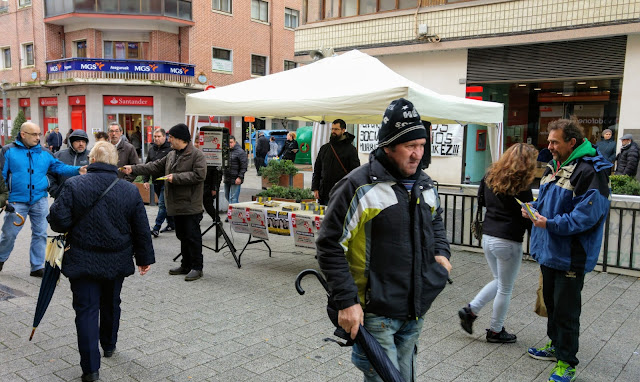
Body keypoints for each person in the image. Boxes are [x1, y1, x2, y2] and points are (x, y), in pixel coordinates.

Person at [317, 98, 451, 382]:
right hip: (375, 314)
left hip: (415, 308)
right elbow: (329, 245)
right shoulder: (358, 185)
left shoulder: (424, 183)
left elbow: (436, 221)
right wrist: (346, 302)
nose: (418, 154)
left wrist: (442, 256)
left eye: (422, 146)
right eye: (409, 147)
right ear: (388, 147)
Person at [48, 141, 155, 382]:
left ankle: (90, 370)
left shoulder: (74, 185)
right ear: (116, 163)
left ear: (91, 160)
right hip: (116, 259)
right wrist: (144, 258)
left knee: (86, 311)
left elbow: (58, 221)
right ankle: (109, 344)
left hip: (82, 258)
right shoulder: (128, 190)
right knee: (111, 302)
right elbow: (141, 228)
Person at [525, 117, 611, 382]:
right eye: (548, 141)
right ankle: (555, 346)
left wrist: (547, 223)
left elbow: (586, 217)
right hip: (550, 251)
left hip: (570, 255)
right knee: (552, 304)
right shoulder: (555, 165)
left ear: (571, 142)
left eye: (554, 142)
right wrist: (535, 210)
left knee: (566, 311)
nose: (549, 146)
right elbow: (550, 202)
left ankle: (567, 362)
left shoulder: (590, 170)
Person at [458, 143, 537, 343]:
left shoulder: (490, 176)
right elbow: (527, 214)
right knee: (505, 287)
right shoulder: (523, 185)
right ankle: (495, 330)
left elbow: (481, 201)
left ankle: (471, 310)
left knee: (499, 280)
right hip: (508, 240)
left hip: (488, 236)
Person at [122, 123, 207, 281]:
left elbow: (199, 175)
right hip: (176, 204)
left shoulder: (197, 155)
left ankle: (197, 267)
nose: (170, 140)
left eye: (172, 137)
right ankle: (186, 264)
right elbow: (154, 166)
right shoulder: (172, 154)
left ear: (180, 138)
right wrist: (133, 169)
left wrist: (176, 178)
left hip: (190, 204)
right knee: (182, 235)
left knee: (192, 237)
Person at [0, 122, 86, 277]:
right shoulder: (8, 151)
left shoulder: (44, 152)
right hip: (16, 201)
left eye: (39, 134)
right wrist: (4, 197)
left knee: (40, 233)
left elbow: (59, 167)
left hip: (39, 199)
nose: (38, 137)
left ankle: (37, 266)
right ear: (23, 134)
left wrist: (77, 170)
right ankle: (0, 259)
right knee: (9, 233)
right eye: (34, 134)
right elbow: (1, 176)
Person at [312, 119, 360, 205]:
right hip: (324, 192)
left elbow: (355, 172)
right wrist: (315, 188)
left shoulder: (350, 150)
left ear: (343, 130)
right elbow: (317, 169)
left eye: (336, 129)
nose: (333, 131)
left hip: (341, 192)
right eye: (332, 129)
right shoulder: (325, 148)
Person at [143, 128, 175, 237]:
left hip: (167, 182)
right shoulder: (152, 149)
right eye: (155, 136)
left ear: (164, 137)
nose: (156, 138)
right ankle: (171, 224)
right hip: (156, 182)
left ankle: (156, 227)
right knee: (165, 205)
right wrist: (146, 180)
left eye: (158, 136)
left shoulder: (170, 149)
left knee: (162, 204)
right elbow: (147, 165)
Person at [48, 129, 90, 199]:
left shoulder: (91, 156)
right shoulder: (59, 155)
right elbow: (49, 174)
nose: (81, 144)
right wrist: (55, 191)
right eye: (77, 141)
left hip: (85, 199)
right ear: (71, 142)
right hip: (62, 198)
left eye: (83, 141)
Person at [223, 135, 247, 205]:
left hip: (236, 178)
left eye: (231, 142)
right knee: (227, 196)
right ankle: (237, 211)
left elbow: (244, 166)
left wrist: (240, 177)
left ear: (235, 142)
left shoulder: (240, 152)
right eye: (228, 142)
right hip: (227, 177)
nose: (230, 144)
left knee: (233, 199)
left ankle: (232, 215)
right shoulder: (226, 151)